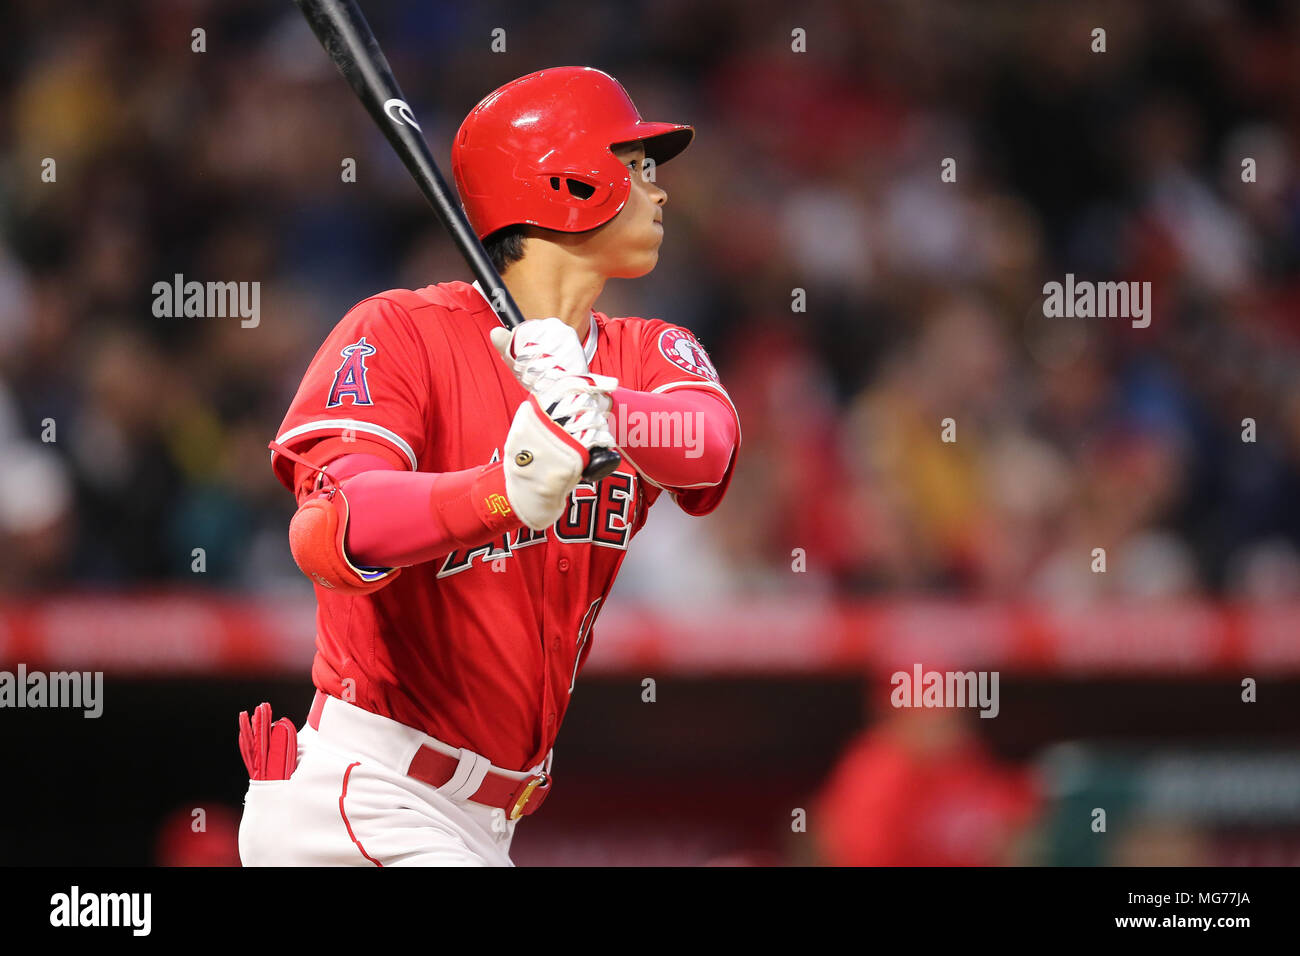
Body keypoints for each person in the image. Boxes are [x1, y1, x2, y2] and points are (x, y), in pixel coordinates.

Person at [236, 67, 740, 866]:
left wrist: (597, 403)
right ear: (567, 181)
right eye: (637, 166)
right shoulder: (400, 332)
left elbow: (710, 445)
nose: (661, 190)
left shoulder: (642, 354)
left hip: (488, 821)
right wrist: (499, 493)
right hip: (371, 794)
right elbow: (329, 531)